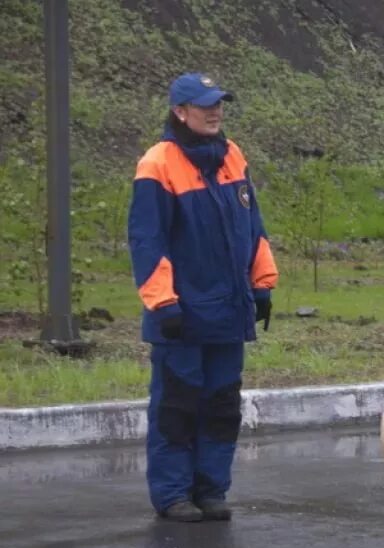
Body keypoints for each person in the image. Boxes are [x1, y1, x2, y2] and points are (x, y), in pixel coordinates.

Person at [127, 73, 279, 522]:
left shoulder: (233, 156)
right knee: (177, 407)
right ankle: (173, 495)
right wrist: (163, 302)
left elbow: (254, 228)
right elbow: (146, 241)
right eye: (205, 105)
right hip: (182, 314)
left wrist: (262, 283)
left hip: (228, 312)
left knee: (221, 406)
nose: (215, 112)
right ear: (180, 111)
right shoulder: (157, 164)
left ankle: (211, 490)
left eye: (219, 104)